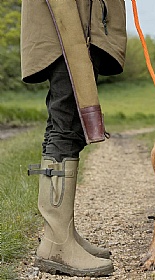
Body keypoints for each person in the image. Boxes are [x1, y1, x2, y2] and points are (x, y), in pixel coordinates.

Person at [21, 0, 127, 277]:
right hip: (64, 28)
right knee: (65, 124)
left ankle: (63, 233)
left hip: (74, 28)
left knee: (68, 124)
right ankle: (57, 243)